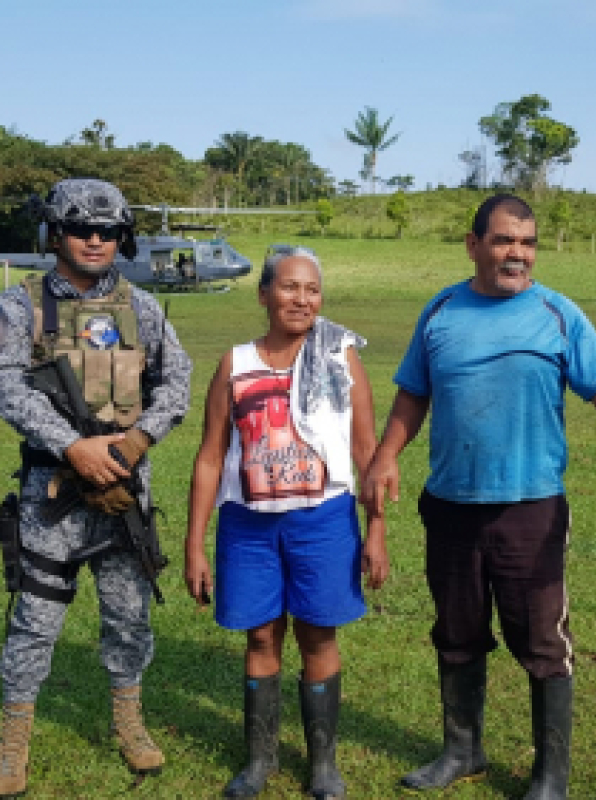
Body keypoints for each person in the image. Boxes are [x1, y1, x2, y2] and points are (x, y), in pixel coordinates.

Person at [360, 194, 596, 800]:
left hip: (530, 508)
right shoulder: (440, 312)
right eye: (505, 241)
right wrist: (385, 456)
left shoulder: (558, 314)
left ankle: (549, 776)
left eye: (528, 243)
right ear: (474, 244)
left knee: (541, 640)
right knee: (456, 632)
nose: (518, 253)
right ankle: (462, 750)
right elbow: (414, 393)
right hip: (451, 504)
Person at [0, 177, 192, 797]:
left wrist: (134, 443)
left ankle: (128, 721)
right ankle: (14, 737)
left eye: (107, 231)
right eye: (81, 229)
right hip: (54, 494)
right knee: (35, 617)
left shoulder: (142, 307)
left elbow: (176, 382)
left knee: (129, 617)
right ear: (55, 234)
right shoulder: (19, 307)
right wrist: (72, 446)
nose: (95, 240)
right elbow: (8, 387)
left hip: (124, 491)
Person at [185, 245, 388, 799]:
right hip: (248, 526)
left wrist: (376, 530)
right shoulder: (236, 363)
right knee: (260, 634)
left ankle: (323, 764)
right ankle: (260, 759)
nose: (302, 298)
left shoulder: (340, 358)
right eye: (290, 287)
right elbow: (209, 457)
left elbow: (367, 451)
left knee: (319, 634)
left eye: (312, 290)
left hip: (323, 522)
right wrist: (195, 545)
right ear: (264, 294)